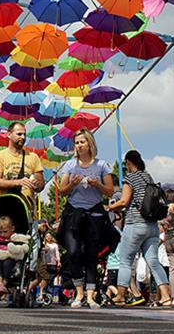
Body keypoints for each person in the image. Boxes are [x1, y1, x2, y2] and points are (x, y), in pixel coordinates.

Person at [58, 128, 114, 309]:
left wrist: (97, 184)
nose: (79, 145)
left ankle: (90, 295)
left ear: (90, 144)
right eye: (77, 142)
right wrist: (73, 183)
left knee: (92, 253)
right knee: (74, 251)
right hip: (73, 212)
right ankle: (78, 291)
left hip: (94, 213)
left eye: (82, 142)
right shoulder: (69, 165)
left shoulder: (102, 165)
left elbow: (110, 191)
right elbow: (62, 190)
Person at [108, 150, 172, 306]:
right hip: (152, 226)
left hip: (135, 224)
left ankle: (121, 296)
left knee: (125, 261)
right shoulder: (148, 177)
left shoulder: (130, 178)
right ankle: (166, 296)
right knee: (154, 261)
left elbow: (124, 201)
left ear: (129, 162)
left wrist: (108, 208)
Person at [0, 122, 45, 215]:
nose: (23, 137)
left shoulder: (33, 157)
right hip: (6, 211)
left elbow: (41, 184)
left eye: (24, 134)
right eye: (19, 134)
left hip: (27, 213)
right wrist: (18, 182)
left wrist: (37, 184)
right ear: (9, 134)